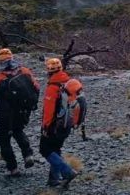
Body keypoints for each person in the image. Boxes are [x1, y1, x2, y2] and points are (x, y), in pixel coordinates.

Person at [0, 48, 40, 177]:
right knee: (18, 131)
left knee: (4, 139)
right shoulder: (25, 71)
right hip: (24, 111)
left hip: (6, 114)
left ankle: (13, 168)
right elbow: (36, 87)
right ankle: (28, 155)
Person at [40, 58, 80, 188]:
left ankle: (67, 172)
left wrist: (45, 127)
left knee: (45, 149)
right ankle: (54, 179)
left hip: (54, 125)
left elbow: (49, 111)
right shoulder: (68, 82)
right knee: (55, 149)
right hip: (67, 124)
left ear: (48, 71)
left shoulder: (53, 87)